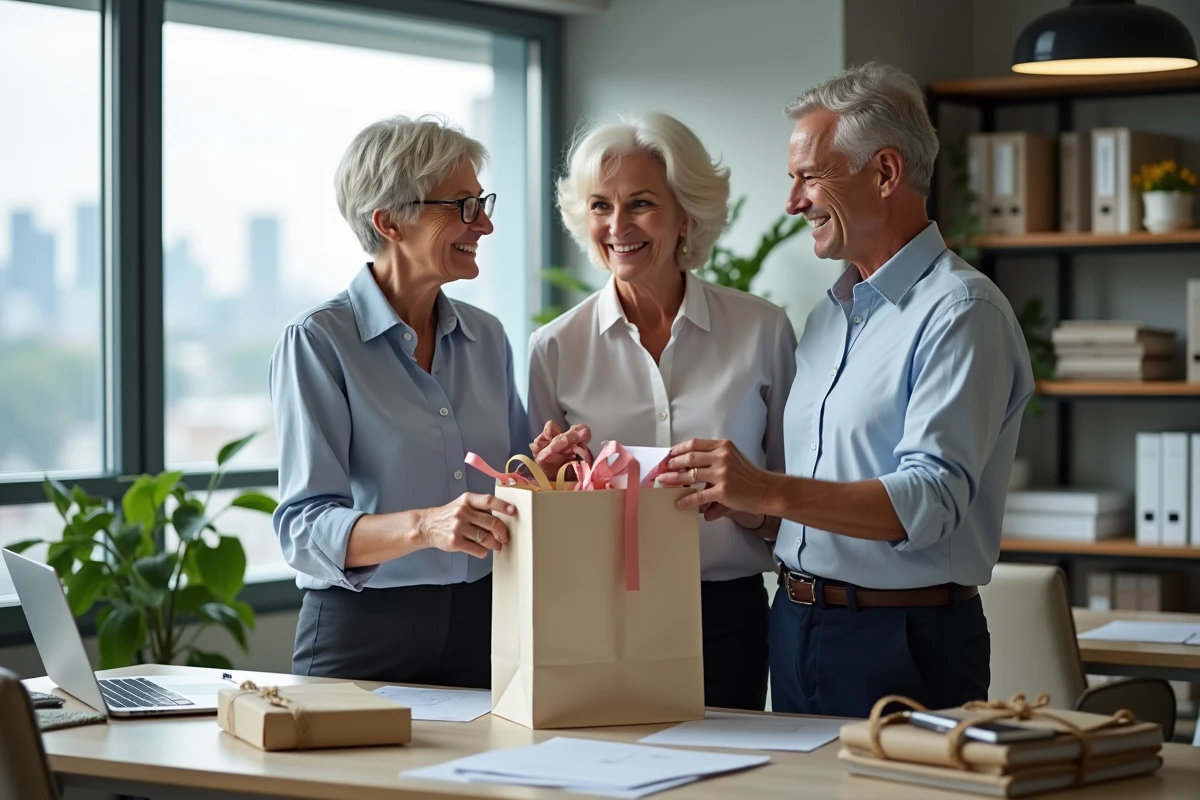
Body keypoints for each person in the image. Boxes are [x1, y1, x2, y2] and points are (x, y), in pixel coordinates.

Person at [662, 63, 1035, 719]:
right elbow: (823, 493)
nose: (793, 201)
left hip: (902, 641)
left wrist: (768, 488)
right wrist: (750, 507)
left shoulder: (962, 312)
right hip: (797, 626)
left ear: (885, 173)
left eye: (809, 176)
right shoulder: (828, 317)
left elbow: (931, 500)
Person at [529, 112, 797, 711]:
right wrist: (552, 483)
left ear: (686, 214)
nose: (617, 226)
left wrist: (750, 508)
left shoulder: (761, 331)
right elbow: (539, 523)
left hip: (728, 613)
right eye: (600, 205)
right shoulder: (554, 349)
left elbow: (796, 499)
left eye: (641, 204)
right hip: (597, 613)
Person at [269, 115, 528, 687]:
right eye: (461, 205)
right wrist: (425, 526)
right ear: (389, 221)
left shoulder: (489, 338)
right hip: (365, 631)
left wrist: (549, 468)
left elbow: (514, 478)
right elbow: (303, 528)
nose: (483, 223)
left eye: (482, 202)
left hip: (491, 622)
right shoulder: (318, 341)